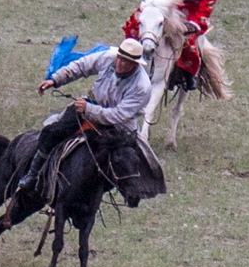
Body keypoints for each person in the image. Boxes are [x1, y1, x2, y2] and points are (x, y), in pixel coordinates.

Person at [17, 38, 151, 190]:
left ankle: (130, 190)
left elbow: (118, 115)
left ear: (135, 64)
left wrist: (89, 109)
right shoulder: (108, 58)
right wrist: (55, 80)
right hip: (90, 106)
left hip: (120, 125)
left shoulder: (142, 86)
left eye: (126, 61)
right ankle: (33, 173)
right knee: (53, 132)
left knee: (126, 160)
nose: (119, 63)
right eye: (119, 57)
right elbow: (81, 66)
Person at [121, 0, 229, 92]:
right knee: (138, 19)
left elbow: (204, 10)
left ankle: (185, 75)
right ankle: (128, 51)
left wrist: (190, 26)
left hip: (189, 14)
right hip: (170, 0)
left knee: (190, 44)